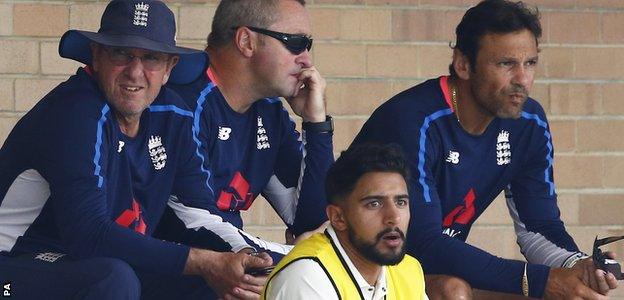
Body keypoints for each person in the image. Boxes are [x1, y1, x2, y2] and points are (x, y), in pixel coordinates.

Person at [0, 1, 274, 299]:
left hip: (90, 266)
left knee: (218, 281)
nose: (135, 72)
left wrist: (248, 257)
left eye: (151, 58)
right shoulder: (75, 111)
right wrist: (206, 262)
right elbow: (89, 235)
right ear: (97, 56)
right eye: (121, 53)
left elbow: (199, 214)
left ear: (169, 68)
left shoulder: (174, 117)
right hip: (14, 265)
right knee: (113, 279)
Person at [350, 0, 619, 299]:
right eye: (506, 64)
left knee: (569, 293)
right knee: (455, 291)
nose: (523, 80)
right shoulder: (413, 120)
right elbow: (423, 242)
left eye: (530, 63)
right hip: (361, 268)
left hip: (428, 270)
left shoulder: (528, 122)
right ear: (464, 64)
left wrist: (577, 265)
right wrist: (541, 280)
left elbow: (538, 225)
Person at [155, 0, 333, 261]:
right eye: (294, 43)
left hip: (229, 270)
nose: (306, 60)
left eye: (308, 45)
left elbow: (314, 220)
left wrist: (316, 124)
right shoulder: (183, 102)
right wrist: (295, 255)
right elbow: (197, 226)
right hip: (167, 269)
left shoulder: (269, 111)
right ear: (246, 41)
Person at [263, 144, 427, 300]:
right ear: (338, 217)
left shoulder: (408, 270)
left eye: (401, 202)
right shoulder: (307, 276)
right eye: (374, 204)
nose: (394, 217)